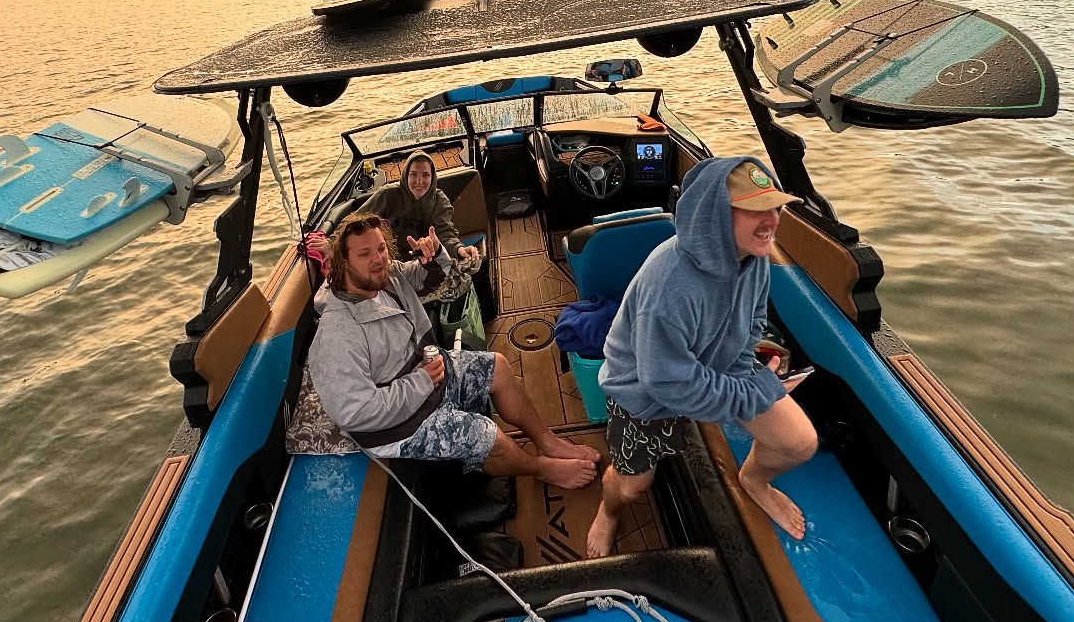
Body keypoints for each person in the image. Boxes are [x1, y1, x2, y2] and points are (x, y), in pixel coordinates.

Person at [586, 156, 818, 557]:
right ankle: (608, 511)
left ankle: (755, 480)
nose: (773, 221)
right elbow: (667, 382)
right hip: (645, 393)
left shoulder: (754, 256)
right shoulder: (669, 286)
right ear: (716, 212)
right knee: (633, 486)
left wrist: (748, 372)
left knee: (798, 442)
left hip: (717, 372)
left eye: (775, 207)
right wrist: (747, 394)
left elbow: (754, 319)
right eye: (756, 209)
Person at [308, 211, 600, 487]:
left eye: (381, 249)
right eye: (364, 254)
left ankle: (547, 441)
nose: (378, 259)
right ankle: (542, 469)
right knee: (488, 438)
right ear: (343, 262)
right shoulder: (337, 333)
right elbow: (356, 412)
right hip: (400, 425)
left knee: (497, 366)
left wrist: (433, 256)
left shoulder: (387, 277)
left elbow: (430, 278)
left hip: (429, 374)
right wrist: (421, 382)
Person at [305, 150, 481, 273]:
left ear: (432, 177)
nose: (419, 181)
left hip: (425, 260)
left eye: (425, 175)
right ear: (406, 175)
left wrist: (459, 249)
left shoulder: (439, 200)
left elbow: (444, 233)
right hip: (390, 262)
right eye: (413, 175)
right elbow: (355, 220)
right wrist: (333, 244)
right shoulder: (389, 194)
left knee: (476, 265)